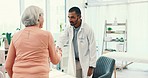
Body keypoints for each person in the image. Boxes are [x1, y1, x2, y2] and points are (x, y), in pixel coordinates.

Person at [5, 5, 62, 78]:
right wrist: (59, 53)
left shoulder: (16, 36)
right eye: (42, 16)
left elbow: (7, 66)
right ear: (38, 18)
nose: (43, 19)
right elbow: (55, 60)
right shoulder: (46, 35)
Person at [56, 7, 97, 78]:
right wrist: (57, 48)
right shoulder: (69, 28)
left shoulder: (87, 29)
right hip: (74, 61)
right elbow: (62, 39)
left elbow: (93, 48)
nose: (70, 20)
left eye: (72, 17)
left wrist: (91, 66)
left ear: (79, 17)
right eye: (69, 17)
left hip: (85, 61)